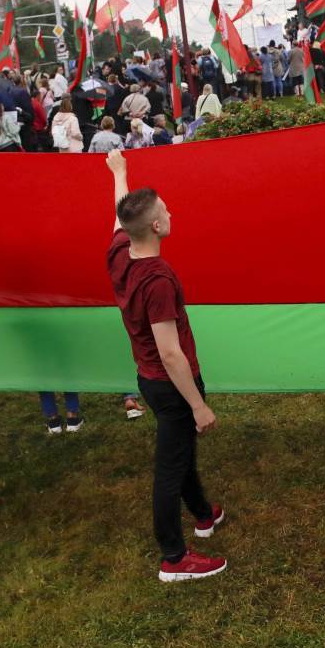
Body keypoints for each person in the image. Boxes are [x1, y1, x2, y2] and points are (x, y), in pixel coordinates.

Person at [104, 149, 227, 583]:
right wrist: (198, 405)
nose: (171, 211)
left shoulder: (121, 252)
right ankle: (174, 558)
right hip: (171, 384)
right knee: (170, 466)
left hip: (150, 379)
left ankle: (203, 513)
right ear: (156, 226)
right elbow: (171, 352)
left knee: (181, 449)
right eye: (165, 210)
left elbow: (119, 218)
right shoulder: (157, 279)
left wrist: (120, 172)